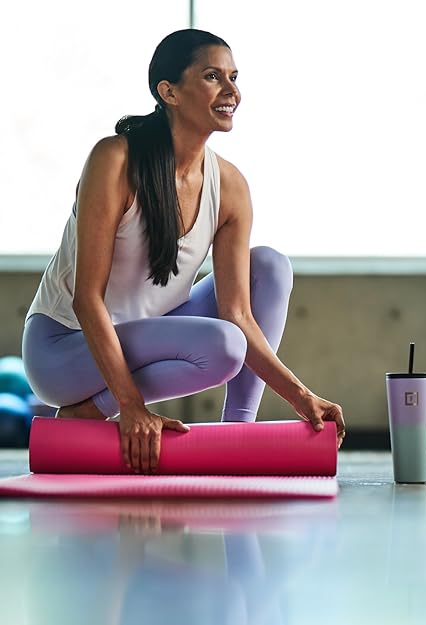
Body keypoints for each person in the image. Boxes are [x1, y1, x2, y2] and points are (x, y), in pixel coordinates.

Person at [20, 29, 346, 474]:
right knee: (225, 347)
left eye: (234, 77)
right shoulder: (114, 160)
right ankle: (90, 408)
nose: (232, 90)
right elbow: (86, 298)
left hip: (145, 334)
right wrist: (129, 407)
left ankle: (238, 435)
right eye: (213, 76)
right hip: (64, 348)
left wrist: (302, 396)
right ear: (168, 91)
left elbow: (239, 313)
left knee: (269, 265)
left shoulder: (229, 185)